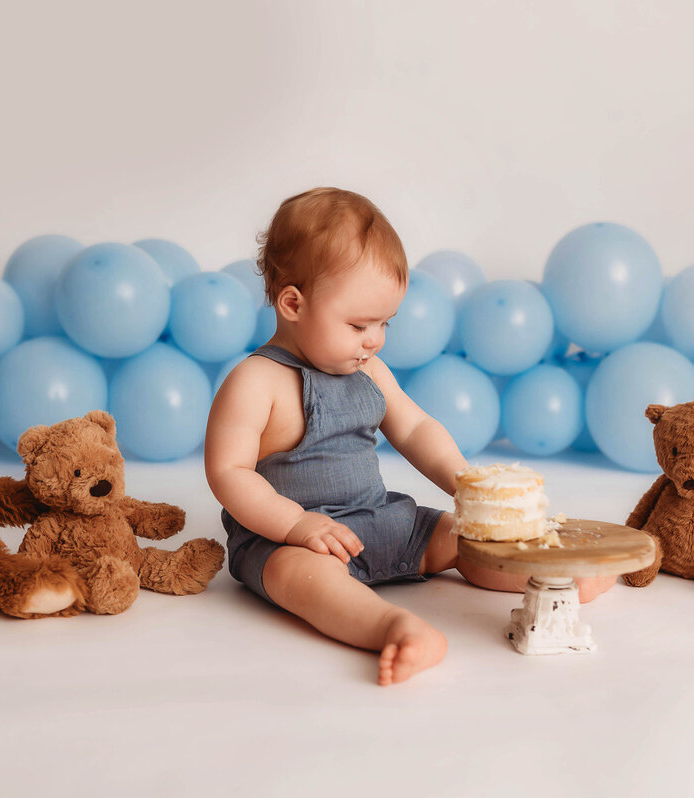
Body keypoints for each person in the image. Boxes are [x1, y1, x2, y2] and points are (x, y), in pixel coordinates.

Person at [204, 187, 612, 686]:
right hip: (291, 539)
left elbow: (415, 427)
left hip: (380, 520)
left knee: (463, 538)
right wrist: (296, 525)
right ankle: (395, 627)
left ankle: (554, 576)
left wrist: (466, 484)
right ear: (293, 303)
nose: (374, 339)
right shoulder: (257, 381)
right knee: (304, 580)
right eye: (358, 324)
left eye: (383, 323)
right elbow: (229, 472)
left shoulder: (370, 370)